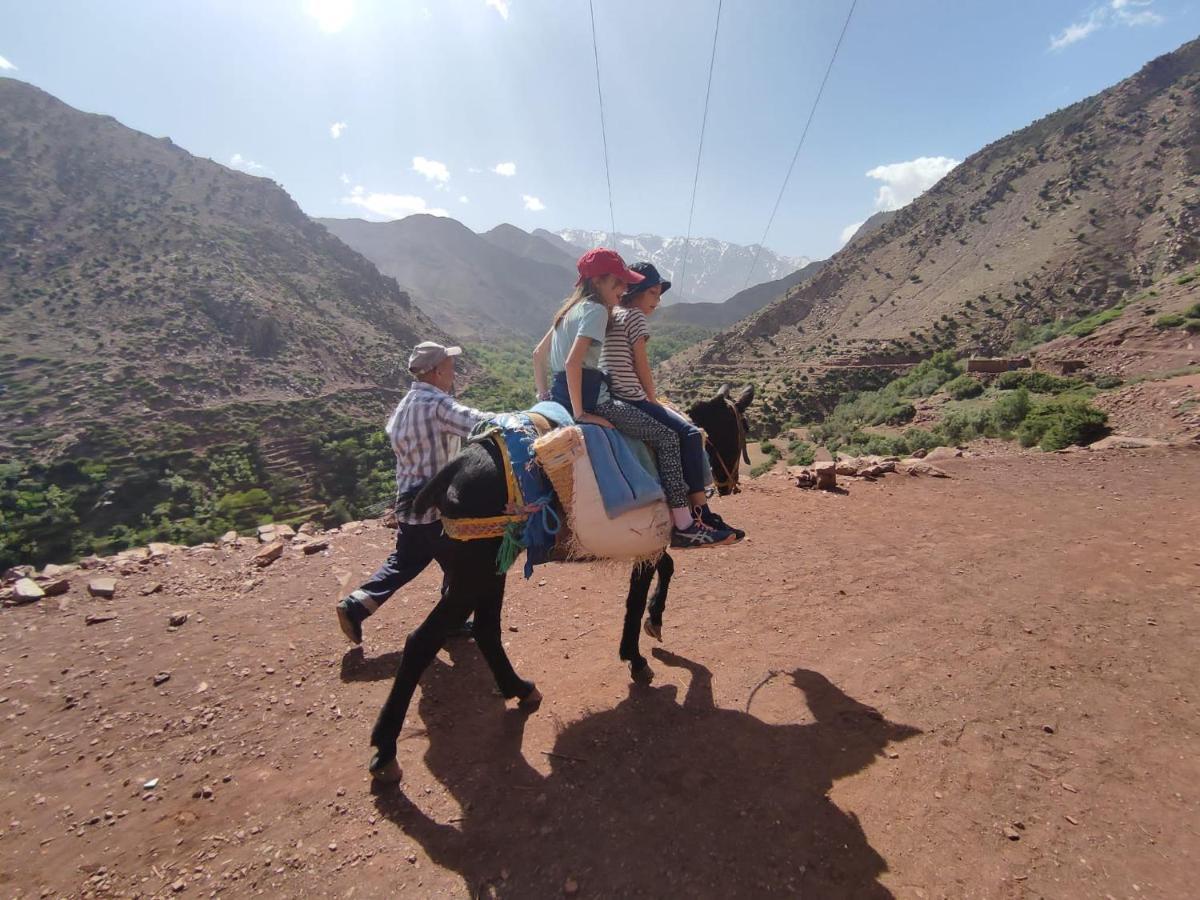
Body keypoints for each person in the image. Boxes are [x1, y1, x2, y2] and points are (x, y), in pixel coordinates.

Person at [532, 249, 735, 548]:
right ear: (599, 281)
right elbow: (575, 363)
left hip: (559, 395)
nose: (623, 290)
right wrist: (582, 413)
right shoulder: (597, 310)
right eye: (618, 284)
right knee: (667, 438)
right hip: (594, 400)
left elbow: (538, 354)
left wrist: (544, 395)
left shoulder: (567, 311)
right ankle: (685, 523)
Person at [336, 341, 496, 646]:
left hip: (408, 502)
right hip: (435, 507)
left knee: (405, 561)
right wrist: (522, 421)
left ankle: (355, 606)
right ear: (436, 371)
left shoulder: (406, 403)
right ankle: (449, 623)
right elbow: (478, 422)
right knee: (465, 565)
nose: (454, 372)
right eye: (449, 366)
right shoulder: (436, 404)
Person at [600, 261, 744, 539]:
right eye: (653, 293)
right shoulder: (635, 318)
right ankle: (699, 512)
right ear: (637, 292)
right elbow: (640, 365)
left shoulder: (613, 314)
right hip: (632, 396)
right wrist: (652, 400)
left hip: (612, 395)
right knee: (689, 434)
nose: (657, 300)